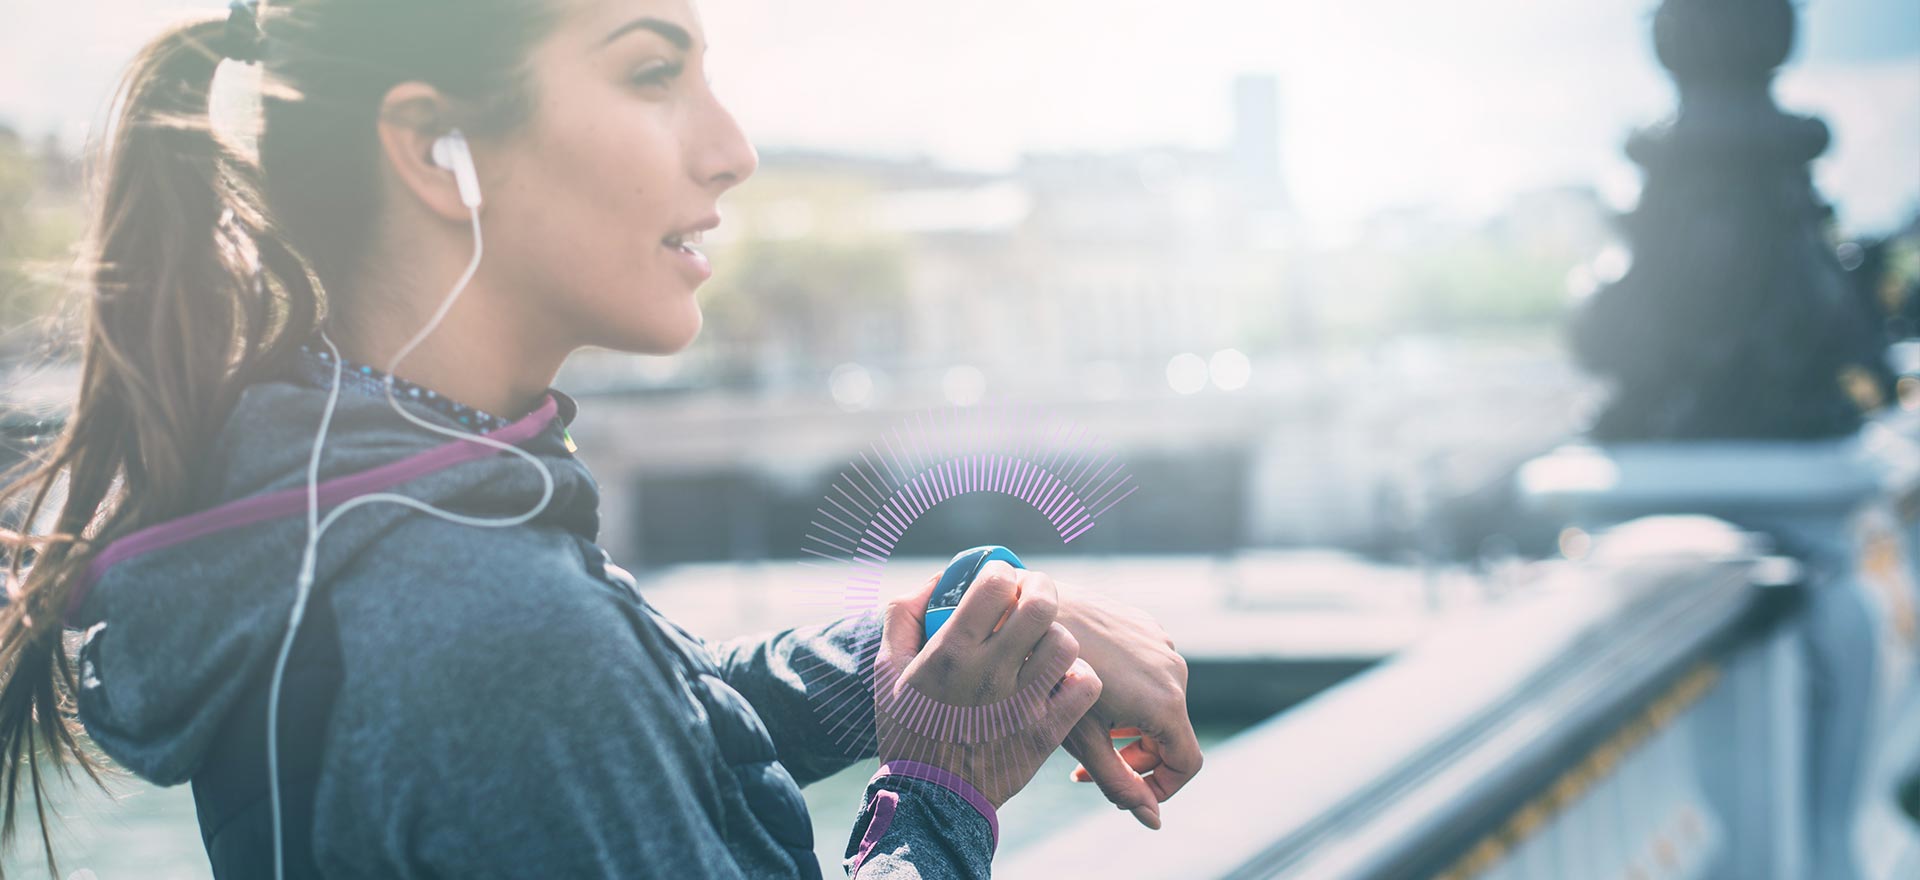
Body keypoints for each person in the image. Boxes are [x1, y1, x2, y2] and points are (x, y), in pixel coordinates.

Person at [0, 1, 1202, 877]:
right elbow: (565, 700)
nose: (732, 147)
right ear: (433, 149)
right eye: (649, 72)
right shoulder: (487, 612)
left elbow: (645, 724)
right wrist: (940, 793)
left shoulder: (348, 488)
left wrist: (948, 626)